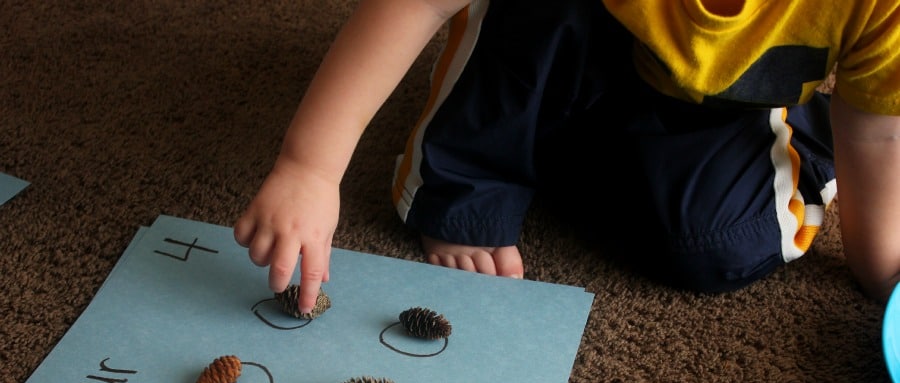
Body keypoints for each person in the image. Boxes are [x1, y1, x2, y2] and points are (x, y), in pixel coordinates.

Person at [234, 0, 900, 315]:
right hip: (575, 24)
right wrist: (310, 168)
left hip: (728, 94)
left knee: (720, 245)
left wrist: (884, 269)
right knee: (528, 34)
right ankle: (484, 172)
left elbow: (875, 132)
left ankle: (574, 143)